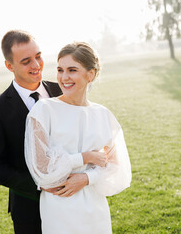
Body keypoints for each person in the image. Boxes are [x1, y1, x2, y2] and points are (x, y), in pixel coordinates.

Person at [24, 42, 132, 233]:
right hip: (59, 210)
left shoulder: (104, 115)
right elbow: (41, 168)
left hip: (95, 211)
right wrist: (85, 157)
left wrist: (87, 178)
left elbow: (117, 167)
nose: (64, 77)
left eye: (72, 70)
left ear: (90, 74)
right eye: (60, 70)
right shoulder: (43, 110)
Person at [0, 30, 62, 234]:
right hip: (29, 209)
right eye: (26, 61)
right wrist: (41, 184)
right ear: (10, 65)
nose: (36, 65)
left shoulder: (62, 92)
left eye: (38, 56)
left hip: (73, 201)